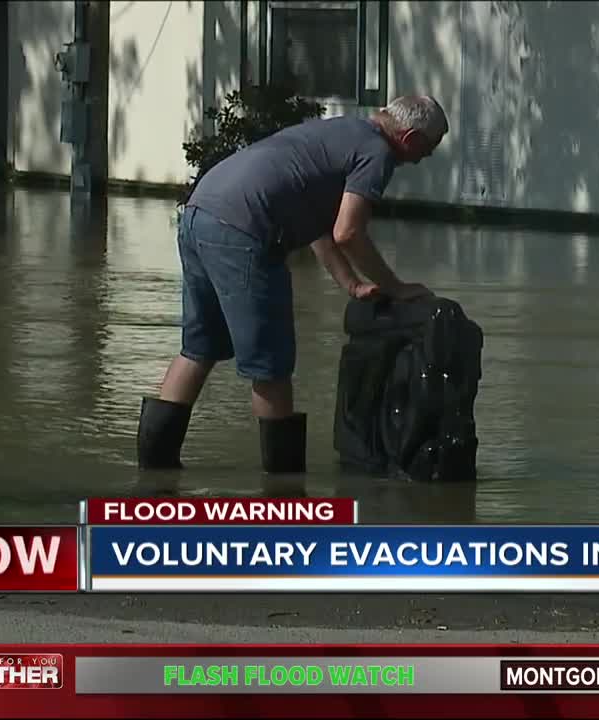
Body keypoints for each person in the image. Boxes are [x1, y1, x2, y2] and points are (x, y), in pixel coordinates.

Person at [137, 95, 449, 473]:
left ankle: (154, 472)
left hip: (199, 212)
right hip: (245, 230)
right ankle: (283, 487)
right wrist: (396, 287)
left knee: (198, 349)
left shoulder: (342, 129)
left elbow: (318, 223)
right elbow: (348, 232)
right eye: (426, 151)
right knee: (271, 367)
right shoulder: (376, 152)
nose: (421, 160)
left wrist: (350, 284)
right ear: (411, 138)